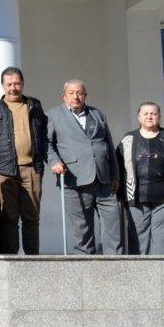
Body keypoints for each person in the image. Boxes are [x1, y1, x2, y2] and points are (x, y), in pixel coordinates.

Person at [0, 67, 47, 255]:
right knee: (8, 218)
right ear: (2, 86)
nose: (13, 88)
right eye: (9, 84)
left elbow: (43, 135)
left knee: (32, 217)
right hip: (2, 171)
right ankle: (12, 260)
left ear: (23, 84)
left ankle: (33, 259)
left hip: (31, 169)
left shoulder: (34, 105)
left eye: (17, 84)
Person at [48, 79, 122, 255]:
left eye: (79, 93)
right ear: (64, 96)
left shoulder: (97, 114)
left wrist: (115, 175)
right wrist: (54, 162)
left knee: (113, 225)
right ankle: (85, 265)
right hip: (75, 179)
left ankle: (115, 264)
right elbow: (47, 144)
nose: (76, 96)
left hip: (103, 179)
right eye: (71, 93)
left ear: (85, 95)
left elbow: (108, 145)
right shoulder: (52, 116)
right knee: (82, 230)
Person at [117, 103, 164, 255]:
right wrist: (120, 195)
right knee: (138, 245)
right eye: (145, 114)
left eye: (153, 113)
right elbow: (118, 167)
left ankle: (163, 271)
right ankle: (139, 272)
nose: (149, 116)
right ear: (139, 117)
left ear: (159, 117)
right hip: (136, 200)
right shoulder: (128, 139)